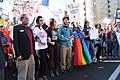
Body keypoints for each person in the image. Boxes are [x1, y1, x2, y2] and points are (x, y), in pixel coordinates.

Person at [13, 14, 35, 80]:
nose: (27, 19)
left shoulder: (29, 29)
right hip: (22, 55)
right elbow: (15, 42)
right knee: (22, 75)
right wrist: (18, 54)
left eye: (27, 18)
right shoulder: (17, 28)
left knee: (31, 73)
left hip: (31, 55)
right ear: (21, 20)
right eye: (25, 18)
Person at [33, 16, 48, 80]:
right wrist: (39, 41)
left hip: (45, 47)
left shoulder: (42, 28)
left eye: (42, 20)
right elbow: (33, 37)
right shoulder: (36, 28)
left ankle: (43, 74)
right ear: (37, 21)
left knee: (44, 62)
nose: (42, 21)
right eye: (40, 20)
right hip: (39, 48)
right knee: (42, 62)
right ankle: (40, 76)